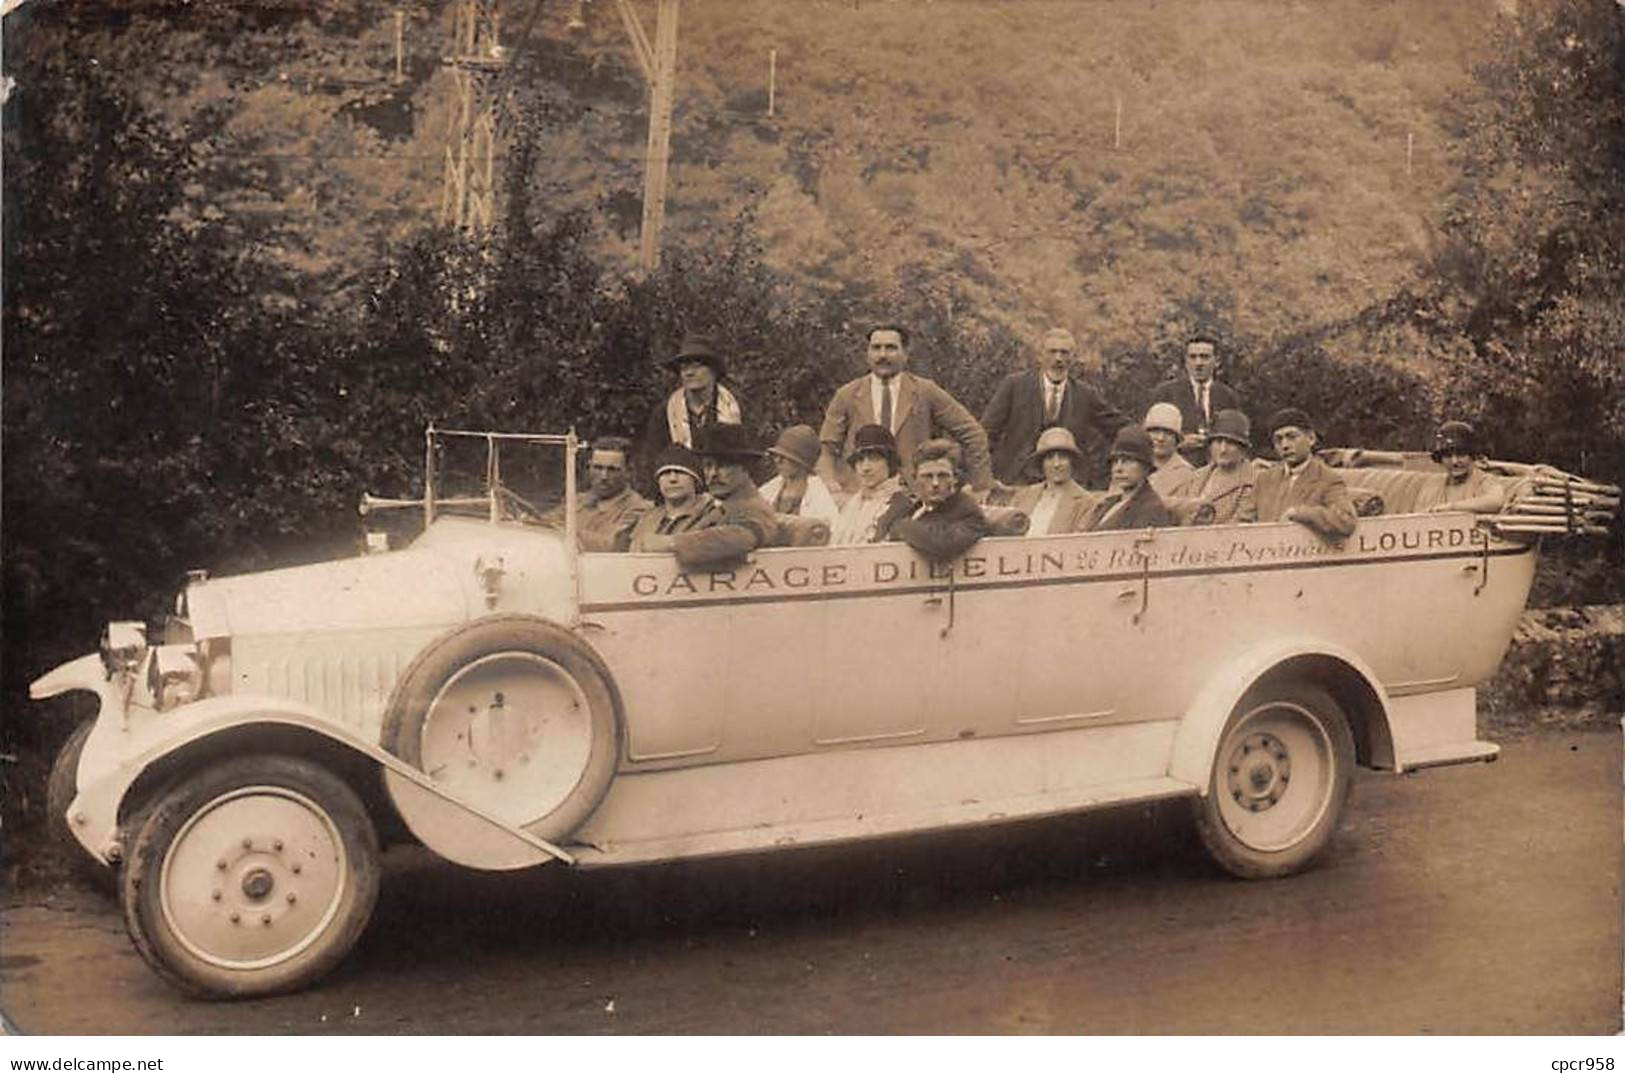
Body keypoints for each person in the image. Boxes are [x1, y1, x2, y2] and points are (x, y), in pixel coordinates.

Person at [817, 324, 993, 495]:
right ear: (867, 354)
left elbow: (973, 434)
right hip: (860, 494)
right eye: (876, 348)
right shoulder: (847, 395)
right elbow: (827, 448)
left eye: (891, 348)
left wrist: (980, 486)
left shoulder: (925, 391)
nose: (883, 355)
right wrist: (831, 487)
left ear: (906, 354)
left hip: (912, 495)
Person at [980, 327, 1127, 490]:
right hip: (1016, 482)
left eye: (1064, 353)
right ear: (1041, 355)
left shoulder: (1085, 394)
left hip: (1065, 486)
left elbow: (1121, 429)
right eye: (1052, 352)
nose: (1058, 359)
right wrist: (985, 477)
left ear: (1073, 357)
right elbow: (986, 433)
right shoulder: (1014, 386)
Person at [640, 424, 778, 569]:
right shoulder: (723, 507)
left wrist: (671, 543)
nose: (713, 474)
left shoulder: (753, 507)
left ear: (746, 469)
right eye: (707, 465)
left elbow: (741, 536)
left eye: (724, 466)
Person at [640, 332, 743, 482]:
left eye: (697, 366)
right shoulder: (664, 412)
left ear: (713, 371)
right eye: (684, 368)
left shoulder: (735, 407)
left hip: (725, 488)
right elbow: (653, 461)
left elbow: (749, 459)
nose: (689, 373)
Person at [1251, 408, 1357, 539]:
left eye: (1292, 437)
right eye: (1278, 440)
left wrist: (1299, 513)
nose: (1284, 445)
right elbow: (1245, 520)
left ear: (1311, 439)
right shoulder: (1264, 479)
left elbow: (1346, 521)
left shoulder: (1327, 479)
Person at [542, 435, 651, 551]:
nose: (604, 476)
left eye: (612, 470)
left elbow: (613, 543)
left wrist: (560, 531)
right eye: (598, 468)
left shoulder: (639, 508)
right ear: (589, 468)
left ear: (629, 472)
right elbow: (545, 522)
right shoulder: (579, 501)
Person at [886, 439, 989, 561]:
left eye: (943, 476)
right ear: (915, 479)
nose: (935, 483)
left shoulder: (967, 511)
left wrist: (901, 526)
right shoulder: (912, 508)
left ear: (955, 478)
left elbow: (942, 543)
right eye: (928, 476)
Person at [1148, 331, 1243, 454]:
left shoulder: (1228, 396)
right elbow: (1149, 439)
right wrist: (1179, 443)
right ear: (1186, 361)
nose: (1198, 363)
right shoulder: (1165, 393)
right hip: (1178, 465)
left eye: (1205, 357)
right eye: (1193, 357)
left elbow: (1237, 438)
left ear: (1217, 361)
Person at [621, 444, 726, 551]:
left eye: (681, 472)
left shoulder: (712, 515)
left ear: (696, 480)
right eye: (665, 473)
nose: (673, 479)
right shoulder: (646, 518)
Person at [1082, 426, 1178, 531]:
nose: (1118, 468)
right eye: (1115, 461)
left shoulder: (1152, 509)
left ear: (1145, 466)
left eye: (1127, 461)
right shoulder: (1106, 505)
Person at [829, 424, 912, 545]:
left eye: (874, 459)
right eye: (860, 460)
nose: (865, 468)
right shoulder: (852, 505)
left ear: (889, 462)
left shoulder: (901, 506)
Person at [1008, 427, 1100, 535]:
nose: (1056, 464)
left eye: (1062, 457)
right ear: (1041, 463)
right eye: (1050, 458)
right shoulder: (1023, 497)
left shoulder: (1086, 503)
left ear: (1072, 461)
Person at [1178, 408, 1258, 524]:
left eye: (1230, 443)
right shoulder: (1196, 477)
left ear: (1242, 448)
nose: (1223, 449)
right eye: (1218, 442)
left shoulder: (1251, 481)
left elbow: (1242, 523)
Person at [1419, 420, 1509, 514]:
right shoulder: (1434, 487)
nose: (1455, 461)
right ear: (1440, 459)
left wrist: (1450, 507)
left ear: (1472, 456)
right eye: (1448, 456)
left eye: (1461, 455)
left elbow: (1495, 502)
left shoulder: (1484, 481)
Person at [758, 425, 840, 525]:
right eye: (777, 456)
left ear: (801, 462)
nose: (778, 461)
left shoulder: (820, 499)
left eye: (785, 457)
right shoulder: (768, 491)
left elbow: (830, 530)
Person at [1143, 402, 1195, 498]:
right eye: (1155, 431)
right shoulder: (1133, 467)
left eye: (1168, 433)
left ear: (1177, 439)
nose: (1160, 438)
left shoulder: (1187, 475)